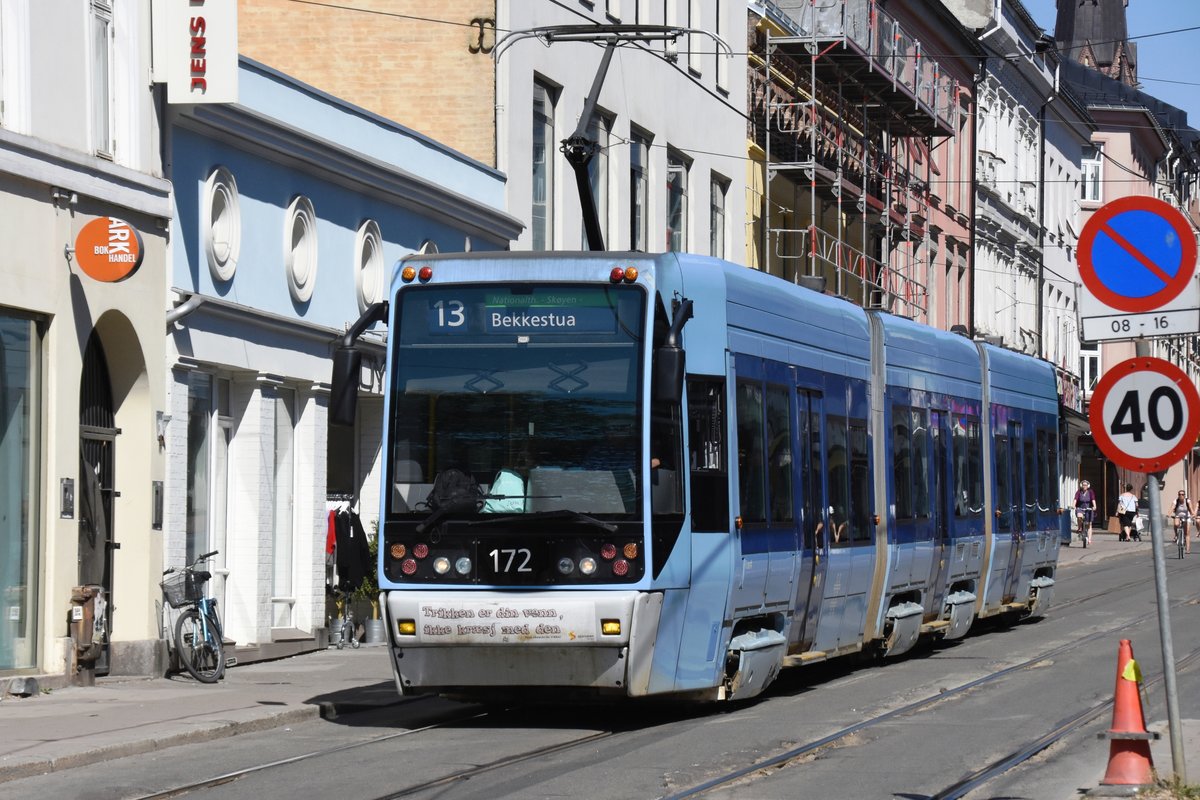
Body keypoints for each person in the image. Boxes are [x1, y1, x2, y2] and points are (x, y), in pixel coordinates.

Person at [1073, 480, 1097, 546]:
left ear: (1088, 486)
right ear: (1081, 485)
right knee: (1079, 516)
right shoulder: (1079, 492)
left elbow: (1093, 499)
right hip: (1080, 508)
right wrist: (1074, 505)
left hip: (1088, 509)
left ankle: (1089, 540)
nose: (1084, 486)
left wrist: (1094, 506)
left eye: (1086, 485)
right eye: (1083, 485)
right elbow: (1075, 499)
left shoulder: (1090, 492)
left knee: (1089, 524)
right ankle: (1080, 527)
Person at [1173, 490, 1193, 555]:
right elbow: (1172, 508)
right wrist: (1168, 514)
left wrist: (1193, 514)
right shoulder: (1176, 501)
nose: (1181, 496)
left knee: (1187, 533)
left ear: (1184, 495)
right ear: (1178, 495)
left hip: (1187, 517)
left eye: (1182, 494)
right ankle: (1176, 535)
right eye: (1179, 494)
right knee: (1176, 524)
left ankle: (1187, 549)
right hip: (1178, 516)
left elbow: (1191, 508)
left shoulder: (1187, 501)